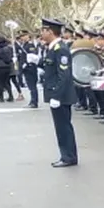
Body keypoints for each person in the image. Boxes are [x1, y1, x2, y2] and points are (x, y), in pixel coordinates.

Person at [40, 18, 79, 167]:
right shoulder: (52, 48)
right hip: (57, 95)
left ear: (50, 31)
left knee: (64, 127)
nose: (42, 34)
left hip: (61, 96)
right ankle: (66, 155)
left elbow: (64, 75)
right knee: (61, 127)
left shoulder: (60, 49)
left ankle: (68, 157)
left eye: (43, 31)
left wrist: (56, 95)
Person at [15, 30, 41, 108]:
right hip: (26, 68)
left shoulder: (30, 45)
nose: (22, 38)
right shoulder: (24, 45)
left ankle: (34, 102)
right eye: (21, 37)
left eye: (23, 36)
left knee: (32, 86)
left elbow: (32, 56)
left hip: (30, 68)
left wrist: (26, 64)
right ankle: (32, 101)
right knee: (30, 86)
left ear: (27, 36)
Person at [0, 36, 15, 103]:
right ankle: (11, 96)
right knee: (6, 82)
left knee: (0, 82)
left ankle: (1, 97)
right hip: (8, 66)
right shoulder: (9, 48)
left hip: (0, 67)